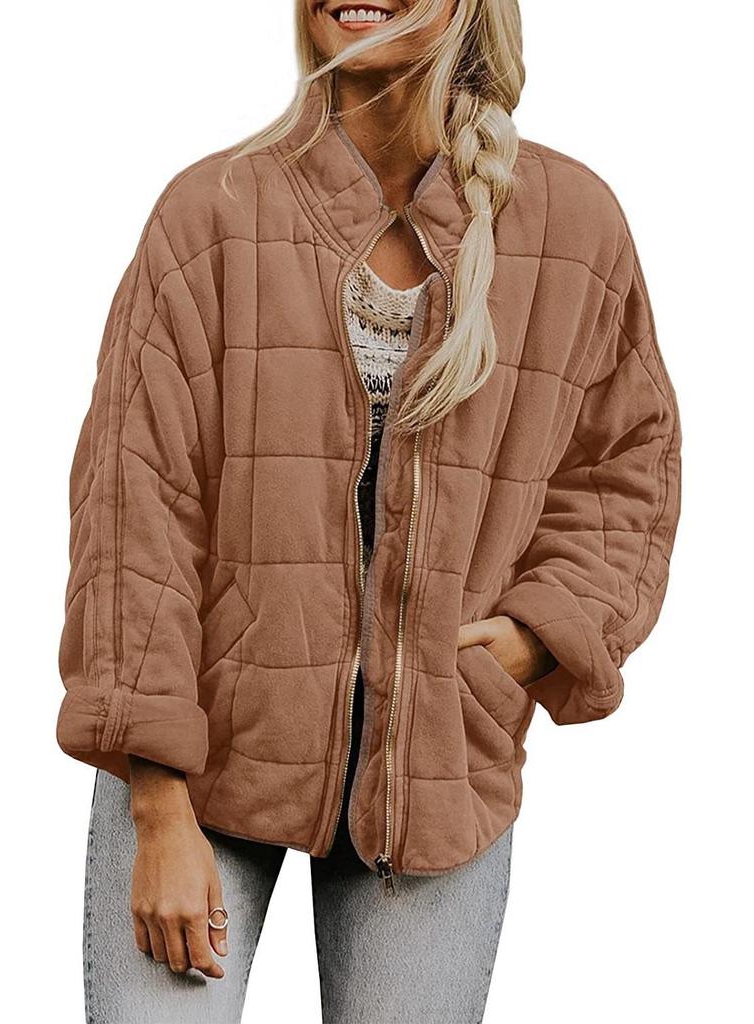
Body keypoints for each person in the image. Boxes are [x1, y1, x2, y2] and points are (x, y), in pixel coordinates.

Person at [56, 2, 682, 1021]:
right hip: (197, 767)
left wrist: (541, 632)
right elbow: (135, 509)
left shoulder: (574, 227)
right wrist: (159, 802)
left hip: (439, 783)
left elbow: (627, 465)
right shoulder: (212, 213)